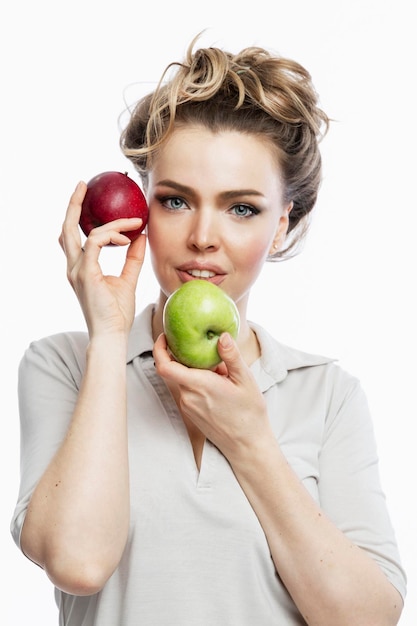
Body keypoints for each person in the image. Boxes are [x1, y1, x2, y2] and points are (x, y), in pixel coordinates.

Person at [11, 36, 406, 626]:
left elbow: (368, 618)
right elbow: (79, 561)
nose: (202, 237)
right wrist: (110, 336)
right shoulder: (66, 366)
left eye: (241, 208)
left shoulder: (326, 395)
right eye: (175, 201)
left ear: (280, 226)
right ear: (142, 209)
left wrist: (250, 443)